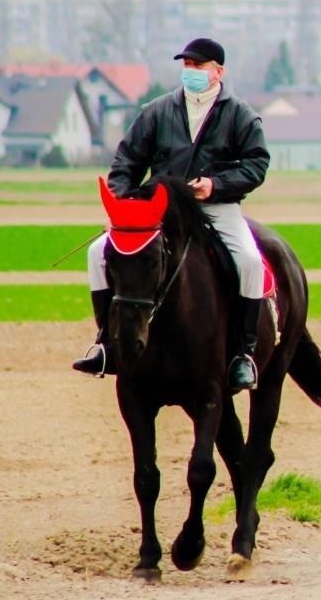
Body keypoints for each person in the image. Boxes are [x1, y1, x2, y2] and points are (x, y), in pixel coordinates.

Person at [73, 38, 270, 390]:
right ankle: (106, 344)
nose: (190, 72)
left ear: (218, 72)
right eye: (187, 66)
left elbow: (256, 164)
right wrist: (121, 208)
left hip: (216, 208)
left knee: (251, 262)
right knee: (95, 254)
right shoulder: (155, 111)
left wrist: (216, 184)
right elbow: (127, 161)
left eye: (198, 66)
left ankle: (243, 353)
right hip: (159, 211)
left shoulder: (240, 113)